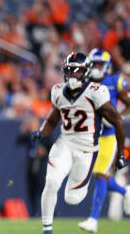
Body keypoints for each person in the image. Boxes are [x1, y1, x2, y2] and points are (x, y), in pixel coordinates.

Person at [31, 52, 128, 234]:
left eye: (76, 71)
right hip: (65, 144)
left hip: (87, 150)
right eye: (69, 71)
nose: (72, 75)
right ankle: (47, 229)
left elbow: (118, 122)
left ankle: (124, 191)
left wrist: (121, 154)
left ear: (85, 72)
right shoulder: (58, 91)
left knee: (72, 198)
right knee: (51, 182)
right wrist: (41, 132)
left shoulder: (96, 92)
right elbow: (53, 119)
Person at [78, 48, 130, 233]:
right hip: (91, 135)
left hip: (108, 135)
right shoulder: (84, 82)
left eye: (101, 64)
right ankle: (126, 192)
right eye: (96, 64)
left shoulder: (116, 81)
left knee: (100, 174)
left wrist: (118, 117)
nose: (98, 68)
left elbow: (128, 103)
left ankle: (93, 220)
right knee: (98, 176)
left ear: (107, 66)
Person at [16, 116, 53, 216]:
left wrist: (44, 152)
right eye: (30, 124)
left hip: (41, 165)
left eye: (33, 124)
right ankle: (33, 213)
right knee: (31, 190)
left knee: (42, 189)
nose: (32, 126)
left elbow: (52, 147)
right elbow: (18, 140)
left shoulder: (44, 134)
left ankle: (47, 213)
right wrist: (23, 129)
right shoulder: (29, 135)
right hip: (31, 165)